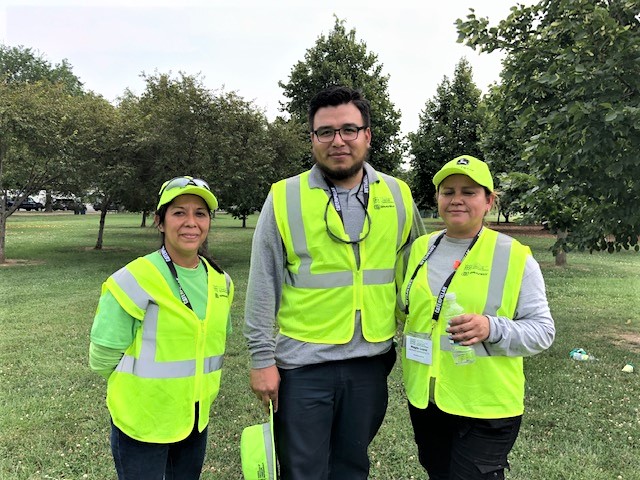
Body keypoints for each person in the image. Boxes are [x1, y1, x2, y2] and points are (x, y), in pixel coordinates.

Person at [243, 85, 425, 480]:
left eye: (348, 129)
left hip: (371, 364)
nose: (337, 140)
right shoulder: (284, 198)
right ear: (312, 138)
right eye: (325, 131)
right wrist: (261, 359)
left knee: (352, 467)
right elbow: (262, 283)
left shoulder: (397, 194)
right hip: (304, 368)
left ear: (367, 135)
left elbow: (420, 272)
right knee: (303, 471)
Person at [399, 155, 555, 480]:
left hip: (486, 406)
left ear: (489, 201)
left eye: (469, 192)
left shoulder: (514, 255)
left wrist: (490, 327)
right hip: (428, 400)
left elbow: (542, 332)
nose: (456, 199)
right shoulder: (421, 248)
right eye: (448, 191)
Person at [89, 176, 234, 480]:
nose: (190, 222)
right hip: (142, 424)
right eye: (179, 212)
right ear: (159, 221)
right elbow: (102, 357)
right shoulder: (134, 279)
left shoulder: (222, 282)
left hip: (194, 420)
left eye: (200, 213)